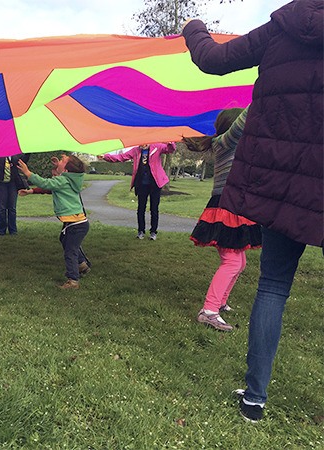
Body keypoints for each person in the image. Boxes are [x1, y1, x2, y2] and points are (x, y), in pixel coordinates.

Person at [183, 0, 323, 422]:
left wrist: (193, 27)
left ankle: (254, 399)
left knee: (274, 287)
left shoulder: (283, 27)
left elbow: (214, 60)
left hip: (284, 185)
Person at [183, 108, 262, 332]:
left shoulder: (236, 147)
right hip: (225, 206)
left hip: (234, 205)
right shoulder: (224, 142)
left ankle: (221, 302)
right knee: (232, 261)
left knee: (240, 262)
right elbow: (244, 121)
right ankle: (209, 311)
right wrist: (263, 91)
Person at [18, 155, 90, 289]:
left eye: (62, 161)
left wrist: (28, 173)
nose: (59, 162)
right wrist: (31, 191)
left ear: (66, 171)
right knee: (64, 240)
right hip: (77, 222)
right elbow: (51, 188)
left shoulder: (63, 180)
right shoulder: (71, 180)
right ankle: (82, 265)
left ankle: (73, 280)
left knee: (70, 251)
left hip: (75, 224)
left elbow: (46, 183)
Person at [98, 142, 175, 240]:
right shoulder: (135, 151)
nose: (143, 145)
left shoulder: (157, 147)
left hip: (155, 184)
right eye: (141, 143)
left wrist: (171, 142)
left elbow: (170, 150)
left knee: (154, 209)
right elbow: (121, 157)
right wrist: (105, 157)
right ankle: (141, 231)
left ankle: (153, 232)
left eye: (145, 143)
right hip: (141, 184)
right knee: (141, 208)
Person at [0, 154, 29, 235]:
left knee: (12, 207)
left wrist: (28, 151)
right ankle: (1, 231)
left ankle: (13, 230)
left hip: (13, 183)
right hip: (0, 182)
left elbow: (24, 159)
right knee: (2, 208)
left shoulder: (15, 154)